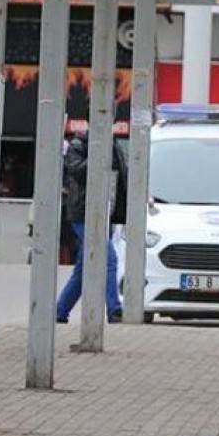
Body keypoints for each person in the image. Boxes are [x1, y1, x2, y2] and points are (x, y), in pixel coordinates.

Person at [59, 120, 126, 323]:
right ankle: (114, 309)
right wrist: (98, 155)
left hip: (106, 212)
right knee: (109, 258)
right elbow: (77, 171)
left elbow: (123, 175)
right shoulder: (78, 146)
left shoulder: (114, 145)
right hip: (83, 214)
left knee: (83, 269)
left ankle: (59, 311)